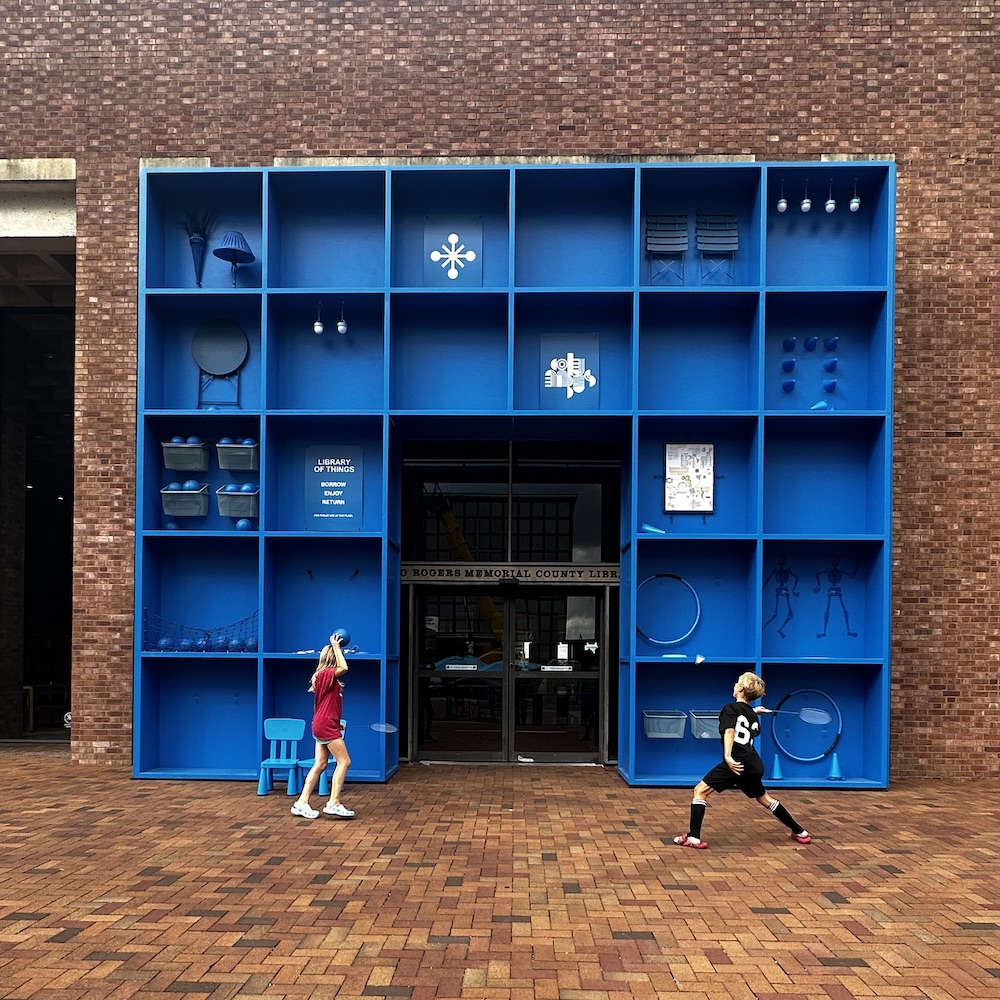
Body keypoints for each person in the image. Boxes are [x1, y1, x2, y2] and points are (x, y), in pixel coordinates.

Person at [673, 671, 811, 849]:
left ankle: (694, 838)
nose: (734, 684)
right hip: (753, 764)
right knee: (764, 798)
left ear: (740, 689)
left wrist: (728, 756)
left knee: (700, 791)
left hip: (736, 762)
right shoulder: (752, 717)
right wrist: (754, 712)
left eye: (737, 682)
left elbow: (731, 730)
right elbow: (744, 722)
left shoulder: (730, 708)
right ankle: (800, 832)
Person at [291, 633, 354, 819]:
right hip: (325, 726)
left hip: (323, 724)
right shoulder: (326, 674)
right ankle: (333, 803)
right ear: (333, 657)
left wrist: (336, 725)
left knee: (320, 764)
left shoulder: (326, 679)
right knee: (345, 762)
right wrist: (336, 646)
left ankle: (301, 803)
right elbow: (344, 667)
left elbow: (328, 706)